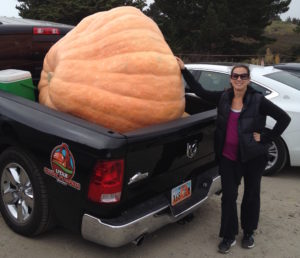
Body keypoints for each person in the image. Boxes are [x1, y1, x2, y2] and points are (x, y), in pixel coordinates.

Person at [176, 57, 291, 254]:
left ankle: (248, 232)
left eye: (243, 76)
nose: (239, 79)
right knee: (228, 197)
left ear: (248, 80)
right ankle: (228, 236)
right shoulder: (223, 98)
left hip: (253, 158)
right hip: (229, 158)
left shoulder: (258, 100)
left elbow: (283, 118)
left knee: (251, 195)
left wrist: (265, 137)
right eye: (235, 76)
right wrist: (184, 70)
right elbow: (201, 91)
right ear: (230, 79)